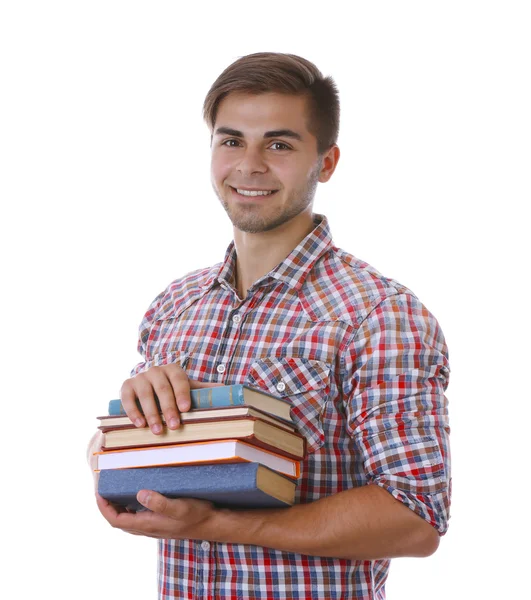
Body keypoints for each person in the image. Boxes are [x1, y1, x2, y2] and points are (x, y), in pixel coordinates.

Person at [91, 52, 451, 599]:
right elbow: (114, 460)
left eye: (279, 145)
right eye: (231, 140)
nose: (250, 164)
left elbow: (415, 516)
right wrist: (123, 426)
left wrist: (218, 526)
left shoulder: (380, 315)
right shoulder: (175, 306)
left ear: (325, 163)